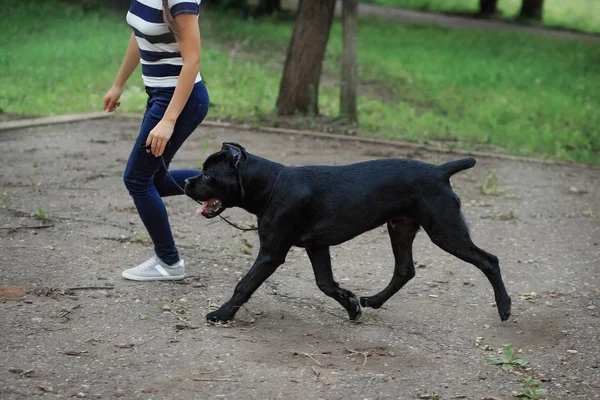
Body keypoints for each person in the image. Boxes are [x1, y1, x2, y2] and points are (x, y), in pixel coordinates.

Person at [103, 0, 209, 281]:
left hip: (179, 101)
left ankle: (169, 262)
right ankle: (224, 185)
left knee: (137, 179)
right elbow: (140, 34)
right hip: (159, 96)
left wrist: (168, 120)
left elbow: (193, 60)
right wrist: (118, 83)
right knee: (155, 179)